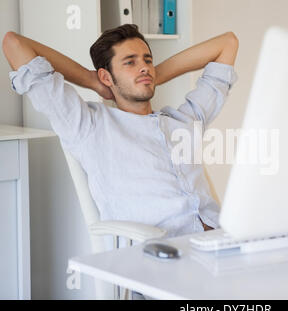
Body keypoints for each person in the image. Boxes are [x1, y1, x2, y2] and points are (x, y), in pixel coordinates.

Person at [2, 24, 239, 237]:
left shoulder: (184, 119)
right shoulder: (88, 126)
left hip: (220, 241)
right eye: (130, 62)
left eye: (147, 60)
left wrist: (147, 76)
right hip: (161, 256)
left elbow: (227, 43)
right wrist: (93, 80)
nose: (144, 67)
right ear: (106, 75)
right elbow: (14, 44)